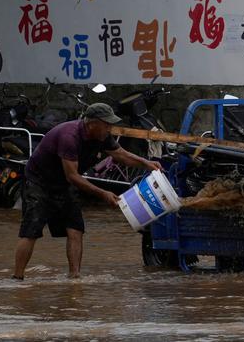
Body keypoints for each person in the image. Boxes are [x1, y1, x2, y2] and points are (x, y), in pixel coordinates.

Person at [13, 103, 162, 280]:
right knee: (31, 230)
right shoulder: (69, 136)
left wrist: (146, 163)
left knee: (76, 228)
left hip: (63, 184)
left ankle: (75, 278)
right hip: (39, 182)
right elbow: (73, 177)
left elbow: (121, 154)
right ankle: (17, 278)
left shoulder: (102, 136)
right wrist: (103, 193)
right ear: (92, 123)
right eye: (107, 124)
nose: (110, 128)